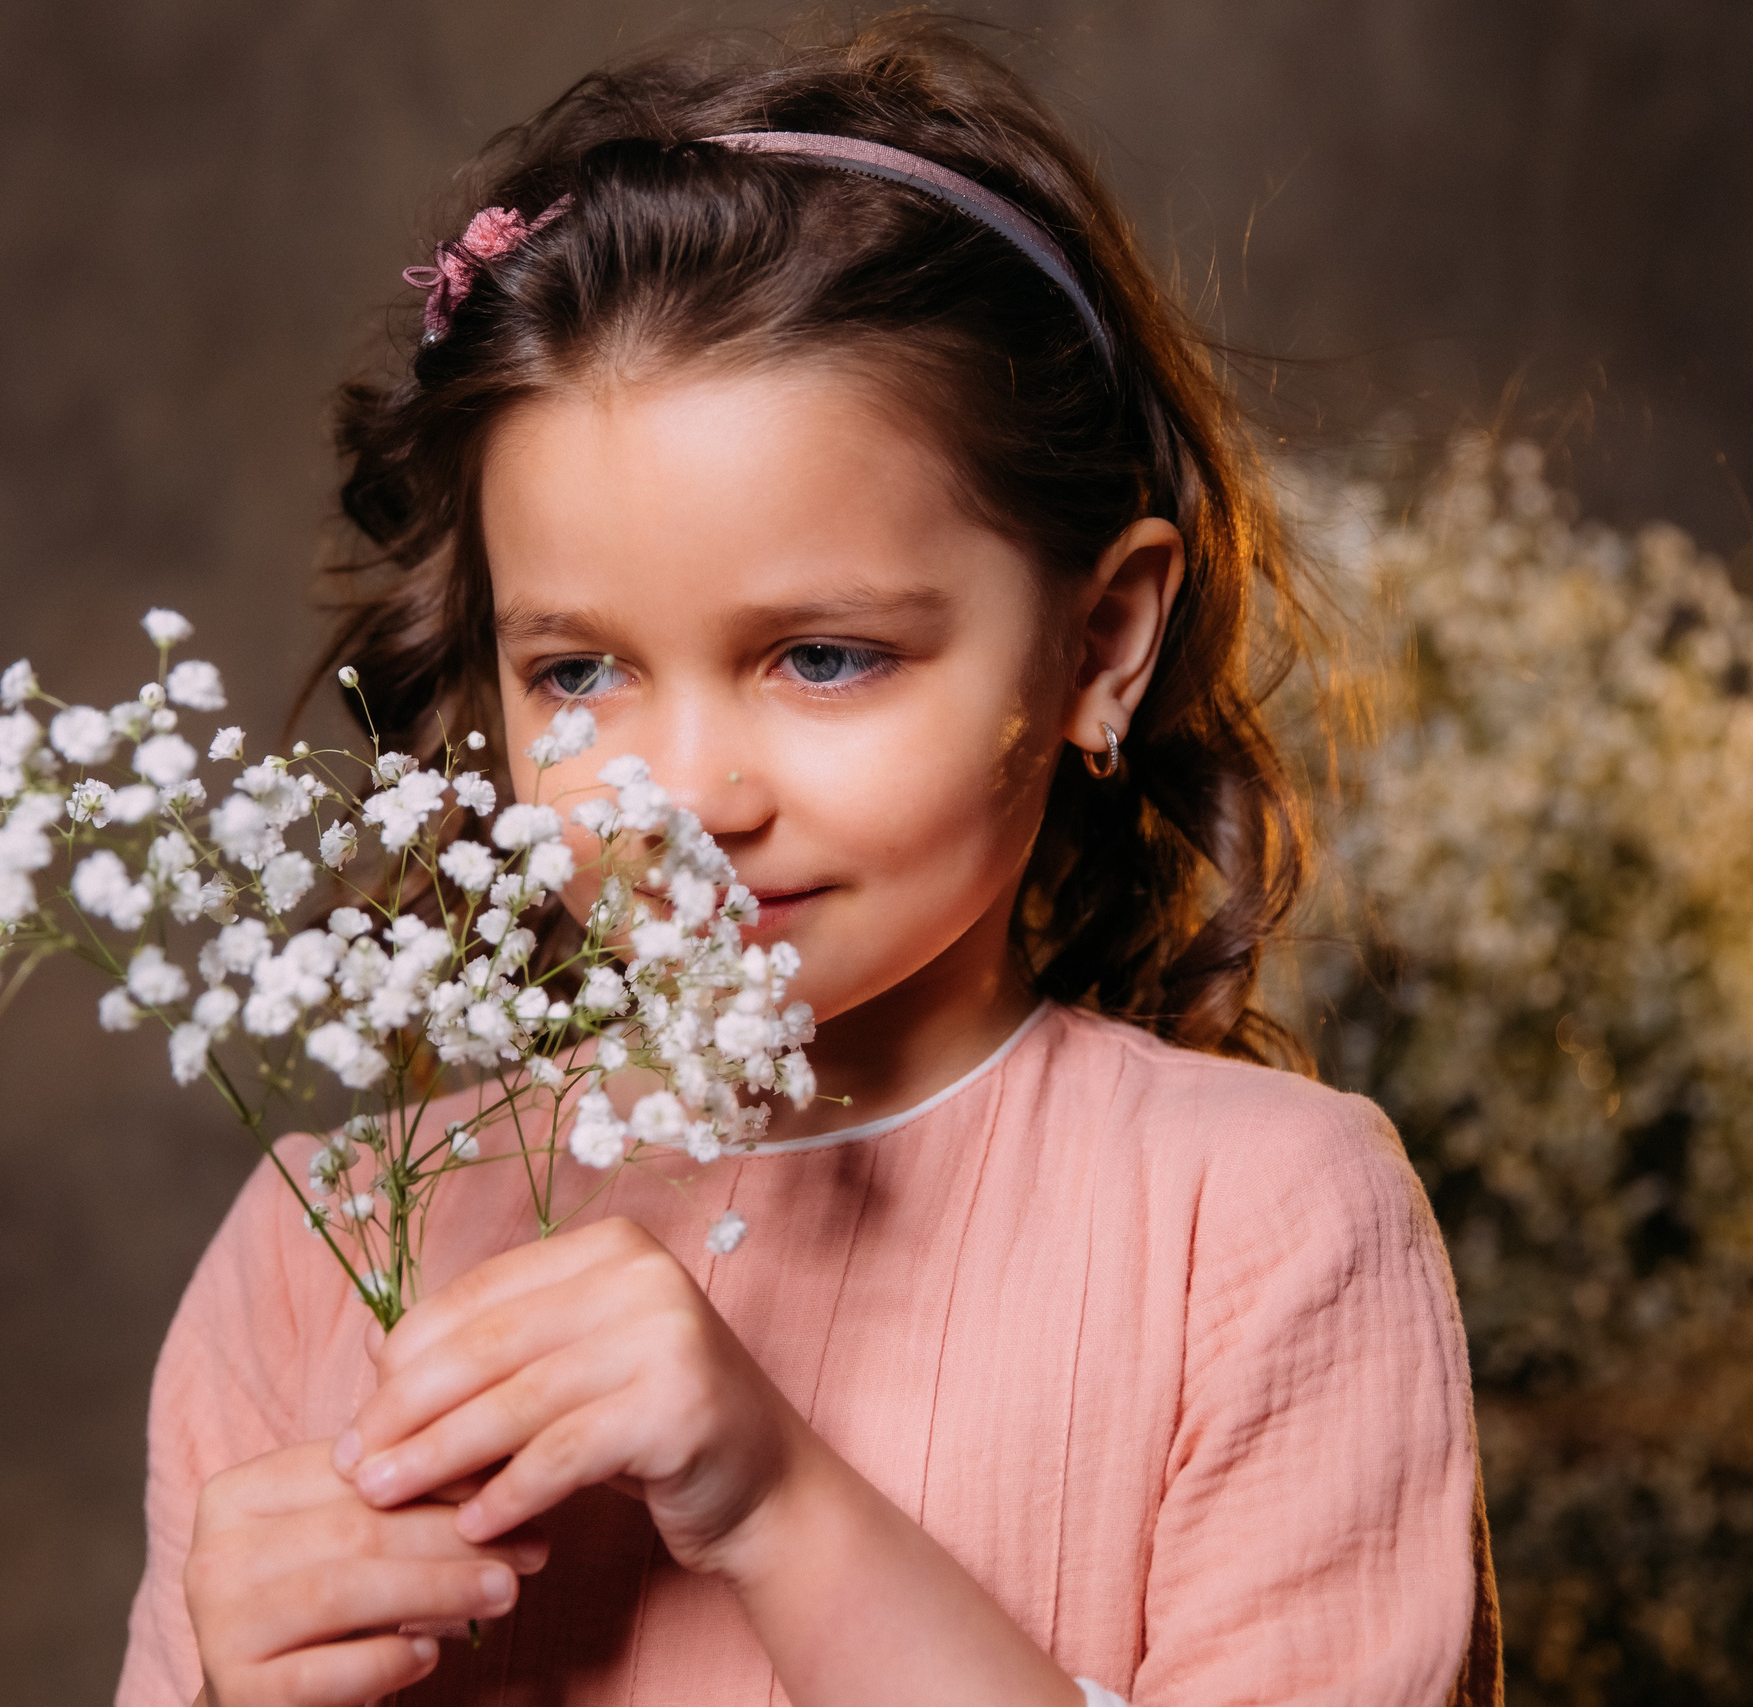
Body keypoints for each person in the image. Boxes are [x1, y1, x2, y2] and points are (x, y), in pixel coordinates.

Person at [116, 17, 1500, 1706]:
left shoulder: (1260, 1227)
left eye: (825, 656)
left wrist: (780, 1508)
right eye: (579, 672)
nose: (688, 796)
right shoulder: (317, 1247)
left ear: (1100, 644)